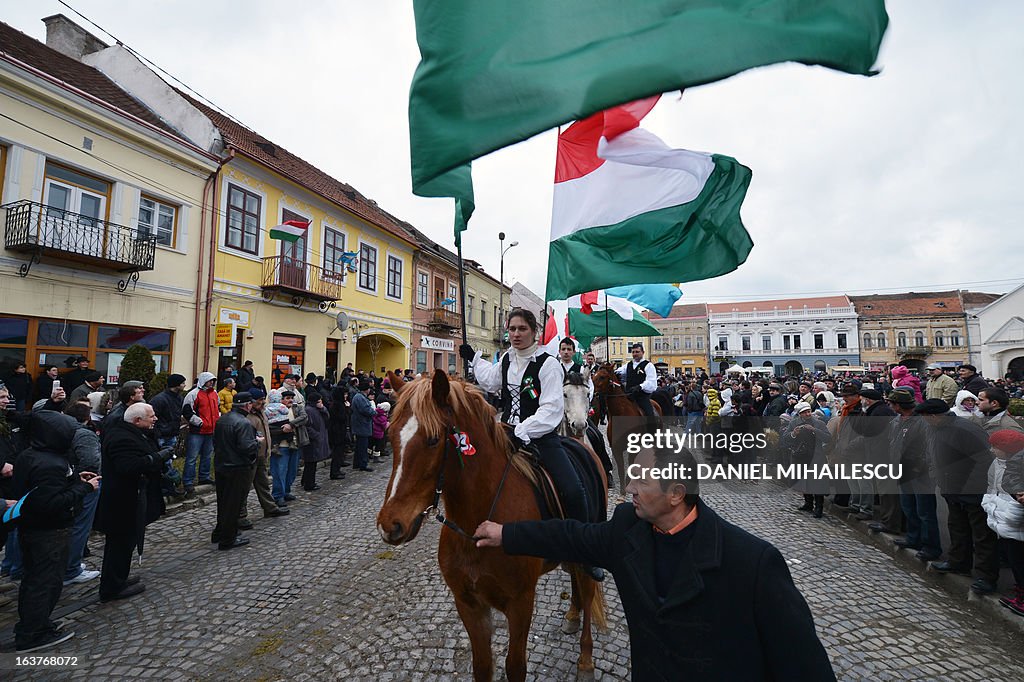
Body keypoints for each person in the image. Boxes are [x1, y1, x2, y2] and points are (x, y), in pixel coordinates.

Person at [473, 443, 836, 680]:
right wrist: (507, 534)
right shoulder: (627, 530)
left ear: (677, 494)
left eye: (641, 480)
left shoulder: (754, 563)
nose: (628, 488)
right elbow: (572, 535)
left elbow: (805, 668)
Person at [462, 307, 601, 581]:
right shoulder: (505, 359)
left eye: (522, 329)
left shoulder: (547, 364)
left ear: (534, 332)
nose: (516, 334)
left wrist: (522, 430)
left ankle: (586, 551)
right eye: (512, 329)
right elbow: (491, 382)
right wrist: (474, 359)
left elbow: (551, 408)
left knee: (573, 490)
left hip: (539, 436)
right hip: (504, 431)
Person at [10, 410, 100, 652]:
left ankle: (34, 625)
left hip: (33, 529)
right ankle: (33, 633)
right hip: (48, 531)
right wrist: (83, 488)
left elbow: (41, 492)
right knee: (45, 582)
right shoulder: (50, 463)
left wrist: (73, 480)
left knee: (35, 580)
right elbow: (48, 503)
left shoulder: (31, 455)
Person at [916, 399, 999, 594]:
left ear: (934, 416)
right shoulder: (934, 429)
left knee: (982, 536)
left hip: (972, 489)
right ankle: (958, 562)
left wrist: (970, 487)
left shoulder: (966, 429)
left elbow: (984, 461)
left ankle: (985, 577)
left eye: (925, 417)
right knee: (957, 527)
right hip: (951, 487)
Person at [96, 403, 172, 602]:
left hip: (131, 498)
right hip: (123, 502)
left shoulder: (132, 433)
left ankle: (119, 577)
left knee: (127, 542)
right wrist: (156, 457)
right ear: (137, 421)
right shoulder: (122, 438)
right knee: (120, 544)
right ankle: (112, 586)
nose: (155, 419)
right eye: (151, 416)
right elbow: (128, 466)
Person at [886, 389, 941, 562]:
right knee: (908, 506)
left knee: (925, 511)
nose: (889, 406)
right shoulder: (898, 420)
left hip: (920, 472)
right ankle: (913, 537)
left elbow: (930, 447)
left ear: (899, 405)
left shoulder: (921, 421)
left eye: (891, 403)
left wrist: (921, 466)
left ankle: (931, 546)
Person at [982, 429, 1024, 616]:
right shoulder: (997, 463)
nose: (991, 450)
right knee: (1013, 559)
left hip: (1014, 518)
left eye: (995, 447)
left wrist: (1011, 516)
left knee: (1019, 560)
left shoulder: (1017, 466)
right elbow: (992, 486)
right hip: (1001, 516)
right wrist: (990, 506)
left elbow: (1016, 494)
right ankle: (1020, 592)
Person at [211, 391, 261, 550]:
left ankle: (220, 532)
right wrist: (257, 442)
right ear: (247, 405)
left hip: (221, 465)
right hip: (237, 467)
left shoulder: (222, 419)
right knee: (234, 503)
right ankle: (228, 538)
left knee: (223, 501)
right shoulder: (243, 423)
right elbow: (247, 447)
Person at [62, 402, 102, 586]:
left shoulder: (64, 430)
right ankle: (72, 569)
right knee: (80, 525)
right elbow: (91, 462)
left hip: (71, 482)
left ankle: (69, 565)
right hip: (86, 484)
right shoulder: (84, 434)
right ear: (87, 417)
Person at [244, 388, 288, 519]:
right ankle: (241, 516)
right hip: (251, 456)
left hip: (262, 454)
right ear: (251, 402)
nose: (263, 402)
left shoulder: (262, 412)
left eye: (263, 399)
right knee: (245, 487)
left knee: (263, 483)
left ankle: (270, 508)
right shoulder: (247, 416)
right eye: (259, 400)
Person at [781, 402, 830, 517]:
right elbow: (786, 438)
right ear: (800, 414)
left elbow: (828, 438)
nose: (808, 414)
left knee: (817, 482)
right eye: (804, 412)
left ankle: (819, 507)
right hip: (800, 456)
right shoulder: (794, 423)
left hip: (816, 456)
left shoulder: (819, 423)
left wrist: (814, 430)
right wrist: (794, 433)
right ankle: (808, 503)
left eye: (809, 411)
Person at [268, 389, 309, 504]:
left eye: (292, 398)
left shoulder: (297, 408)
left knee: (292, 471)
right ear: (281, 400)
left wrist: (291, 425)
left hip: (295, 444)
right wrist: (282, 429)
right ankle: (278, 495)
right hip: (281, 446)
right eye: (287, 398)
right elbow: (269, 426)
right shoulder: (274, 410)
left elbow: (304, 418)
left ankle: (286, 490)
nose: (290, 400)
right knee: (280, 471)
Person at [181, 372, 219, 495]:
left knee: (207, 455)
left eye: (213, 380)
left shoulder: (214, 393)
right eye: (209, 380)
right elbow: (187, 411)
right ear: (203, 381)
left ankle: (204, 476)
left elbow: (216, 409)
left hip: (211, 430)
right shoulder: (193, 394)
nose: (211, 383)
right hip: (197, 431)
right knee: (192, 457)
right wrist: (199, 423)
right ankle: (188, 481)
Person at [612, 343, 657, 418]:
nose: (635, 354)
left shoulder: (648, 365)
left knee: (649, 415)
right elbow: (619, 371)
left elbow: (651, 381)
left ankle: (651, 429)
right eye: (633, 352)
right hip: (629, 395)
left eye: (637, 352)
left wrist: (640, 386)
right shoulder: (628, 365)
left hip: (642, 396)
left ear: (643, 352)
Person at [301, 391, 330, 491]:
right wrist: (316, 436)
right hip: (312, 441)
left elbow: (327, 418)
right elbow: (307, 427)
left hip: (317, 439)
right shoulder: (309, 410)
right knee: (310, 463)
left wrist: (323, 408)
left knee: (312, 463)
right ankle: (309, 483)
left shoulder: (317, 409)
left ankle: (306, 480)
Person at [349, 381, 375, 472]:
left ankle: (357, 463)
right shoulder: (360, 398)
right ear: (367, 390)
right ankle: (363, 464)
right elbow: (366, 410)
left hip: (360, 424)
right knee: (363, 446)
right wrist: (374, 412)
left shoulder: (359, 397)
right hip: (362, 424)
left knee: (359, 446)